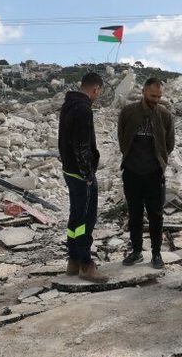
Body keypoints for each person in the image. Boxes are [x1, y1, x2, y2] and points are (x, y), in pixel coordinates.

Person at [117, 78, 175, 269]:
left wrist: (158, 161)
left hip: (154, 173)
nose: (156, 100)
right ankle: (136, 251)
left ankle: (156, 253)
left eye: (159, 96)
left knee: (156, 216)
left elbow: (169, 144)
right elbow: (122, 139)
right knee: (134, 215)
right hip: (132, 172)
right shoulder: (128, 112)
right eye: (152, 96)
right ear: (143, 92)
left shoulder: (165, 115)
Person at [59, 71, 108, 282]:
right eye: (99, 92)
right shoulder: (83, 109)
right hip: (81, 174)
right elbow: (81, 145)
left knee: (76, 216)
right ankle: (86, 264)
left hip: (69, 170)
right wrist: (88, 174)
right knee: (86, 219)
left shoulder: (68, 105)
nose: (98, 96)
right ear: (96, 89)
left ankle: (73, 260)